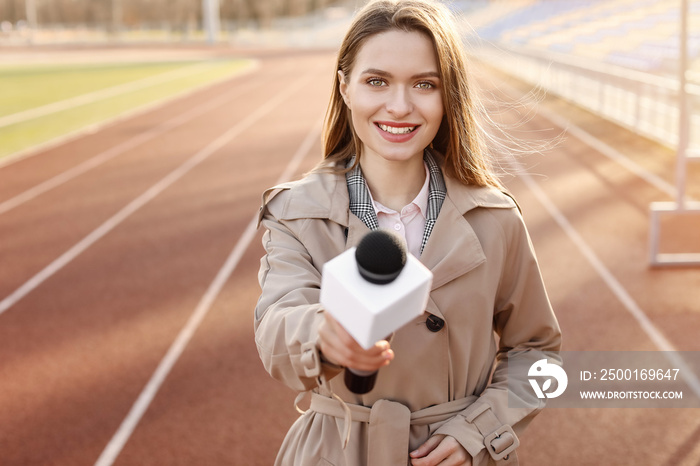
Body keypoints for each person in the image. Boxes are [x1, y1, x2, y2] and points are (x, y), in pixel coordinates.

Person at [254, 0, 562, 464]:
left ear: (447, 96)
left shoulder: (496, 219)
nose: (399, 106)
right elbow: (276, 327)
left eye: (424, 84)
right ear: (345, 87)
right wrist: (322, 334)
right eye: (376, 81)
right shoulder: (299, 213)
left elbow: (539, 355)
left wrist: (480, 431)